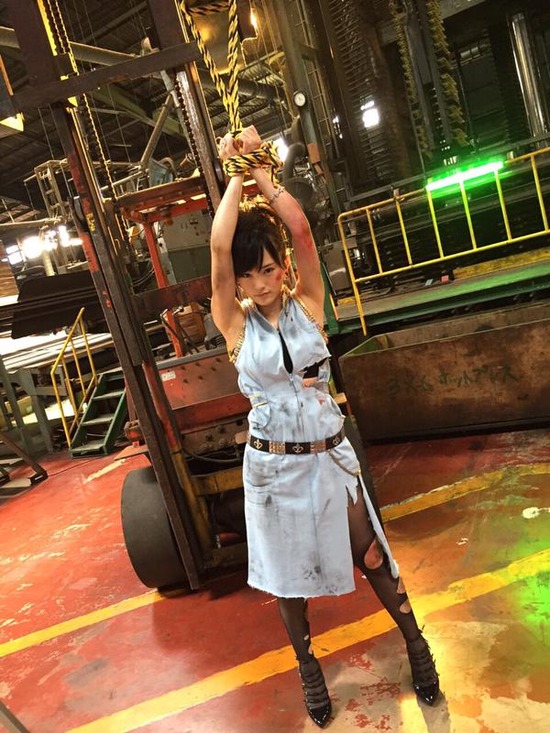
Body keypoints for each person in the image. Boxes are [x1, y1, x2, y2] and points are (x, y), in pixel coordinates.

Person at [210, 125, 439, 728]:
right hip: (272, 469)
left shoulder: (309, 304)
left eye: (268, 269)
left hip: (330, 456)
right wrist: (232, 178)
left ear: (281, 266)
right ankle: (307, 667)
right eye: (249, 276)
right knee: (288, 581)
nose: (261, 283)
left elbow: (303, 230)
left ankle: (417, 643)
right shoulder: (234, 325)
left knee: (372, 554)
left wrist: (262, 173)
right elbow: (218, 249)